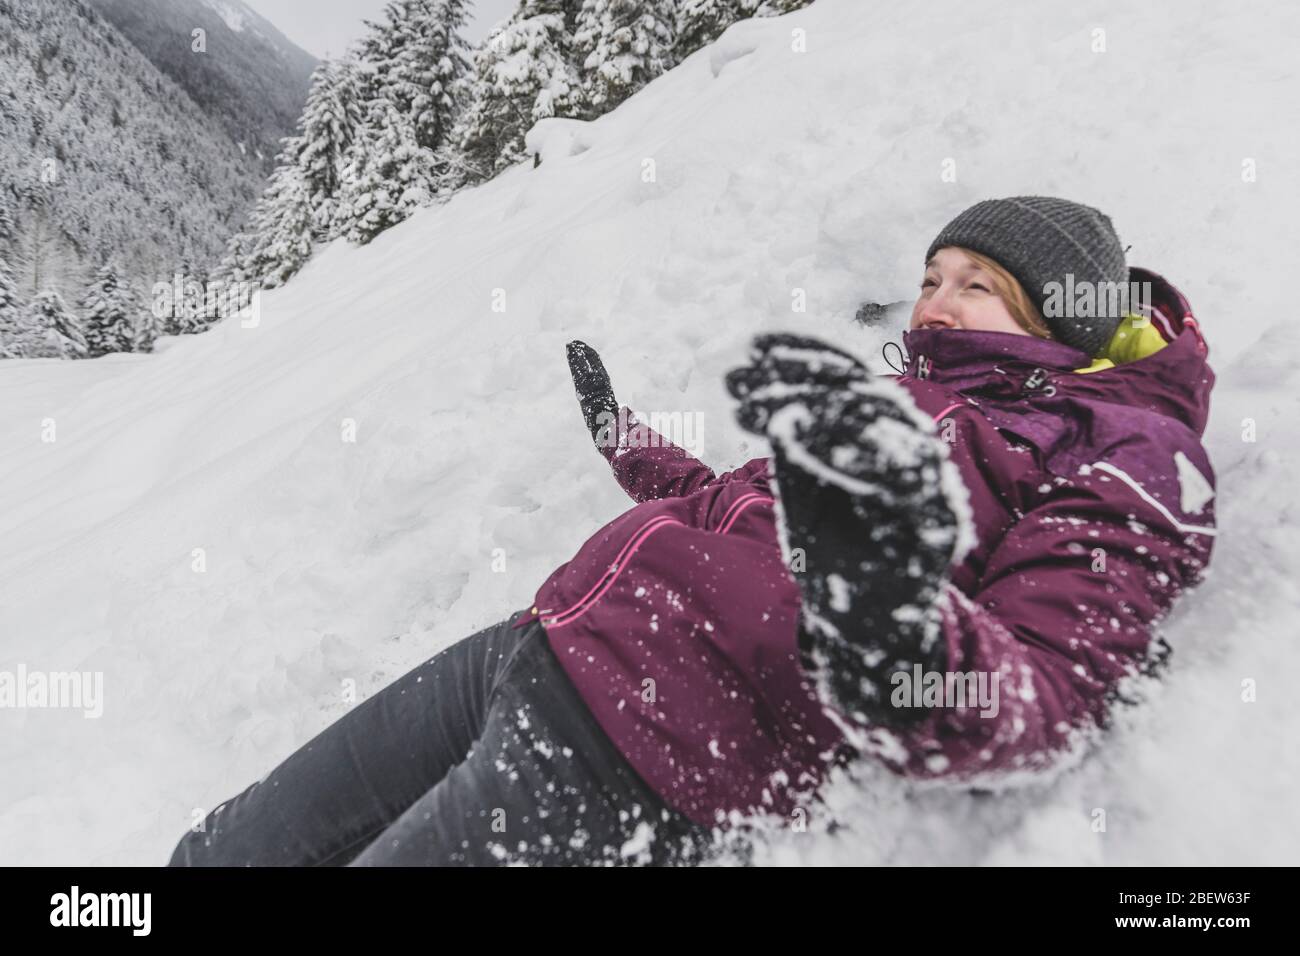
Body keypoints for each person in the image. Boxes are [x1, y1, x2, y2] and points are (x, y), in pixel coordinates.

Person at [167, 196, 1216, 866]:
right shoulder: (904, 398)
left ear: (1063, 313)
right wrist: (631, 445)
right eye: (931, 276)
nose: (935, 301)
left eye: (975, 284)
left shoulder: (1120, 452)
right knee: (234, 843)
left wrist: (891, 603)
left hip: (644, 754)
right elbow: (742, 511)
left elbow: (1044, 696)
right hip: (539, 643)